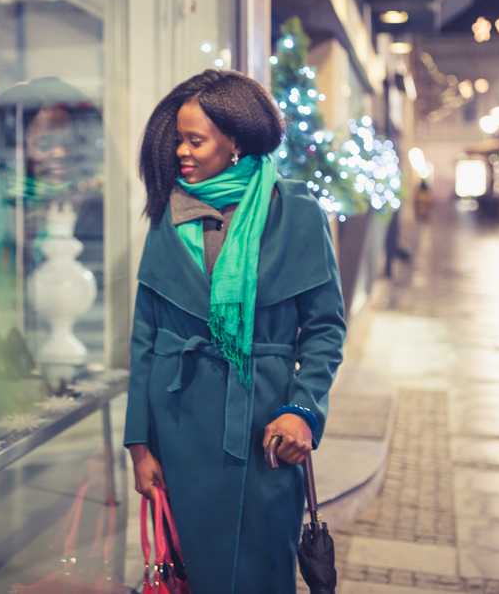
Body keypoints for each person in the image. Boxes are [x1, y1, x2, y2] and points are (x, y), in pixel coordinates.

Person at [124, 69, 346, 593]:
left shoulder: (297, 213)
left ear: (236, 141)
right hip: (178, 427)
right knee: (190, 574)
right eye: (178, 138)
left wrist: (303, 410)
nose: (181, 150)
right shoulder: (167, 218)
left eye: (194, 139)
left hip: (264, 428)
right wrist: (139, 444)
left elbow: (325, 330)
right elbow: (145, 340)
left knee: (262, 572)